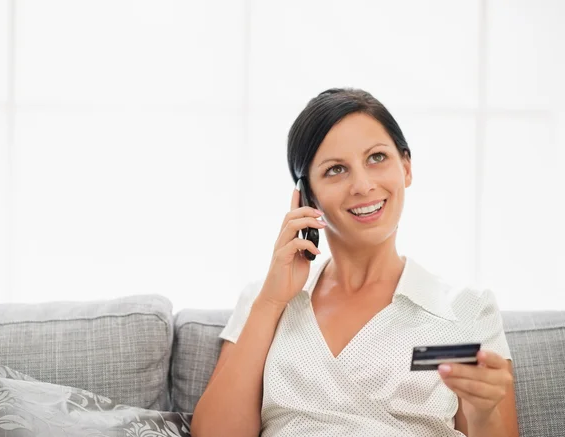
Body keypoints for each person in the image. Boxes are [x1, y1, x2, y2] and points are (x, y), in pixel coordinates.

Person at [191, 88, 518, 437]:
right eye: (335, 170)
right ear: (307, 196)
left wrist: (484, 414)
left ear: (406, 168)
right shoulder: (265, 299)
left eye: (377, 158)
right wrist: (271, 302)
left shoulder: (467, 307)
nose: (362, 185)